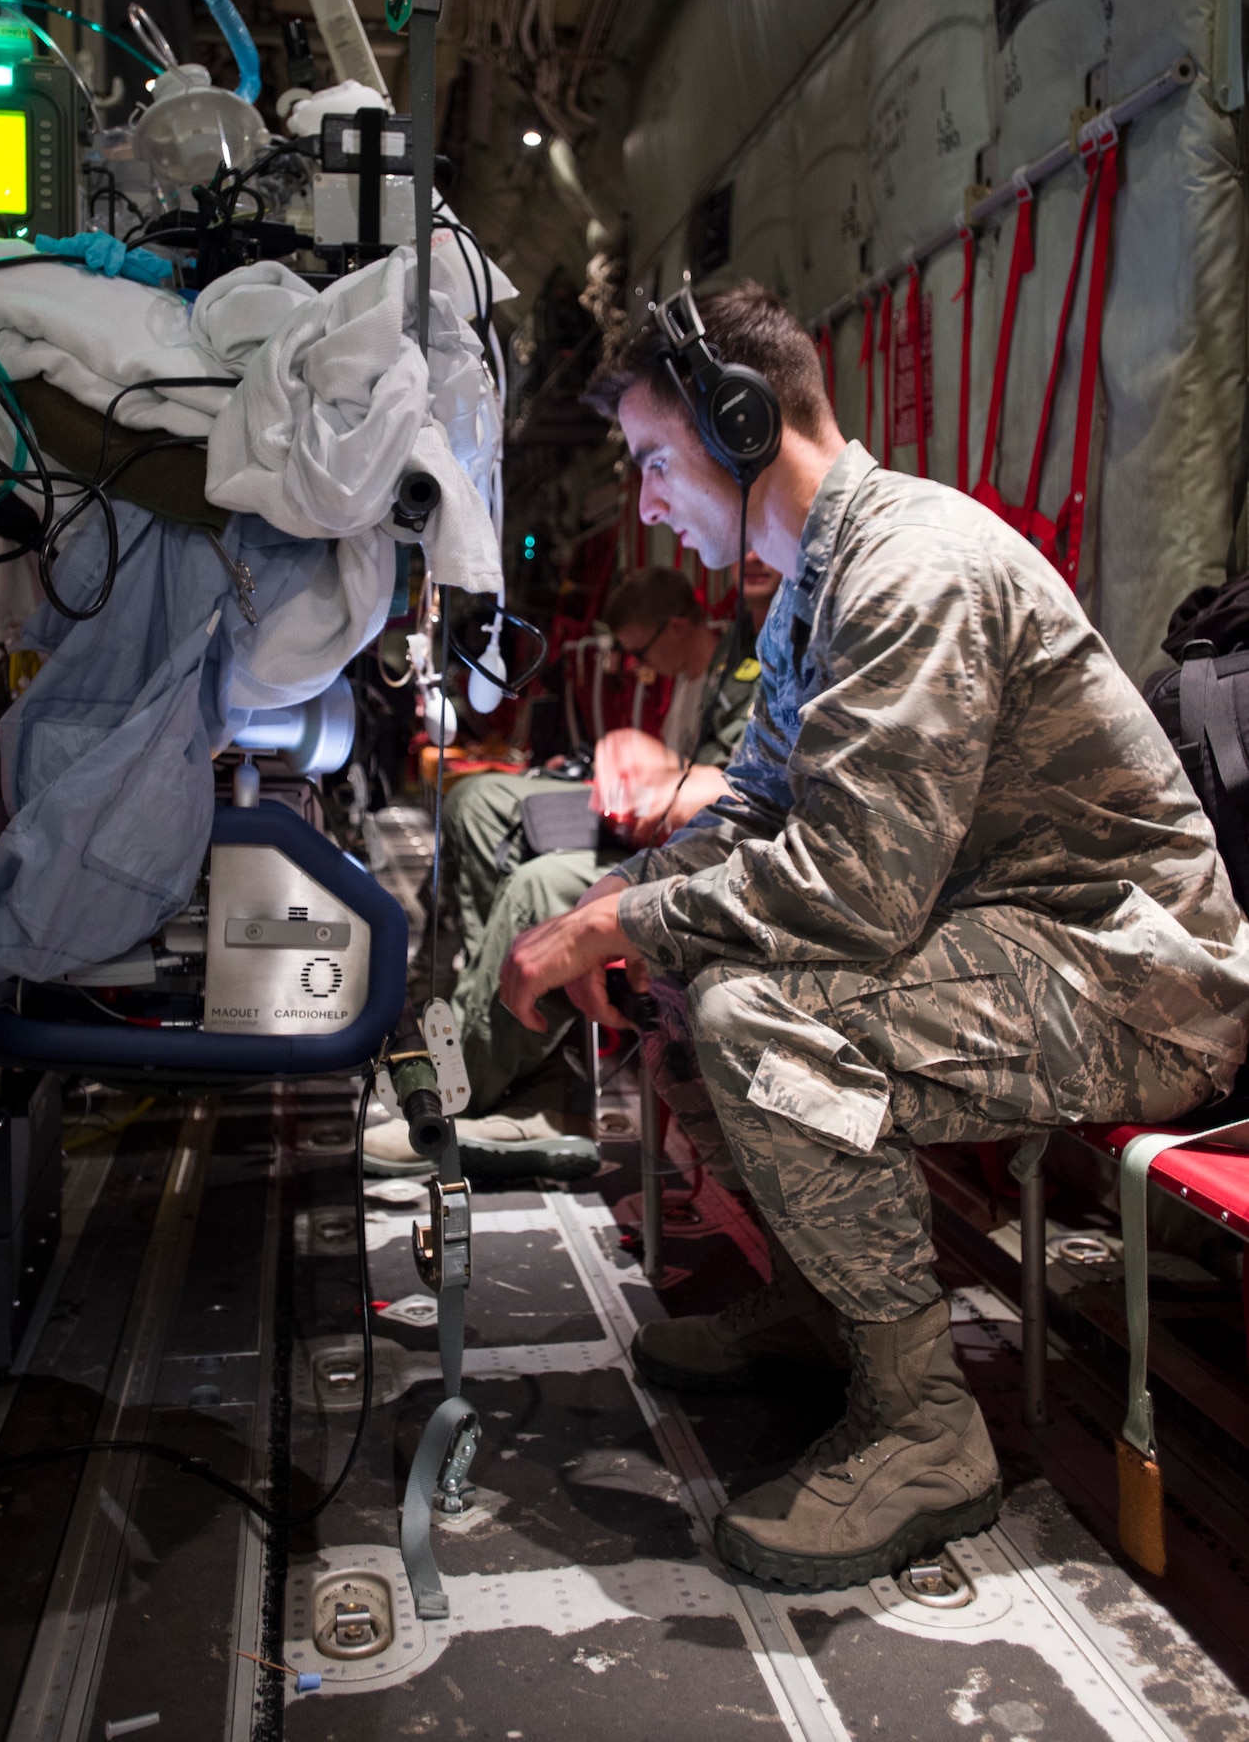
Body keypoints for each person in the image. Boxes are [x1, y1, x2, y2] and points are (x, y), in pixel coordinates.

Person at [499, 281, 1249, 1589]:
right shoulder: (815, 588)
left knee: (759, 1013)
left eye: (652, 461)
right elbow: (749, 825)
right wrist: (605, 921)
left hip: (1134, 979)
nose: (646, 502)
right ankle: (826, 1311)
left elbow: (848, 889)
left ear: (738, 424)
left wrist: (617, 923)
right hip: (1016, 947)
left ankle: (924, 1433)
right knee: (695, 978)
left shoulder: (911, 568)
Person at [363, 558, 778, 1178]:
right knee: (476, 804)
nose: (638, 668)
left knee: (542, 885)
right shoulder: (739, 652)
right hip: (667, 821)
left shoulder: (786, 653)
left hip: (714, 844)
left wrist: (665, 779)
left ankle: (453, 1098)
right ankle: (499, 1043)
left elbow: (748, 798)